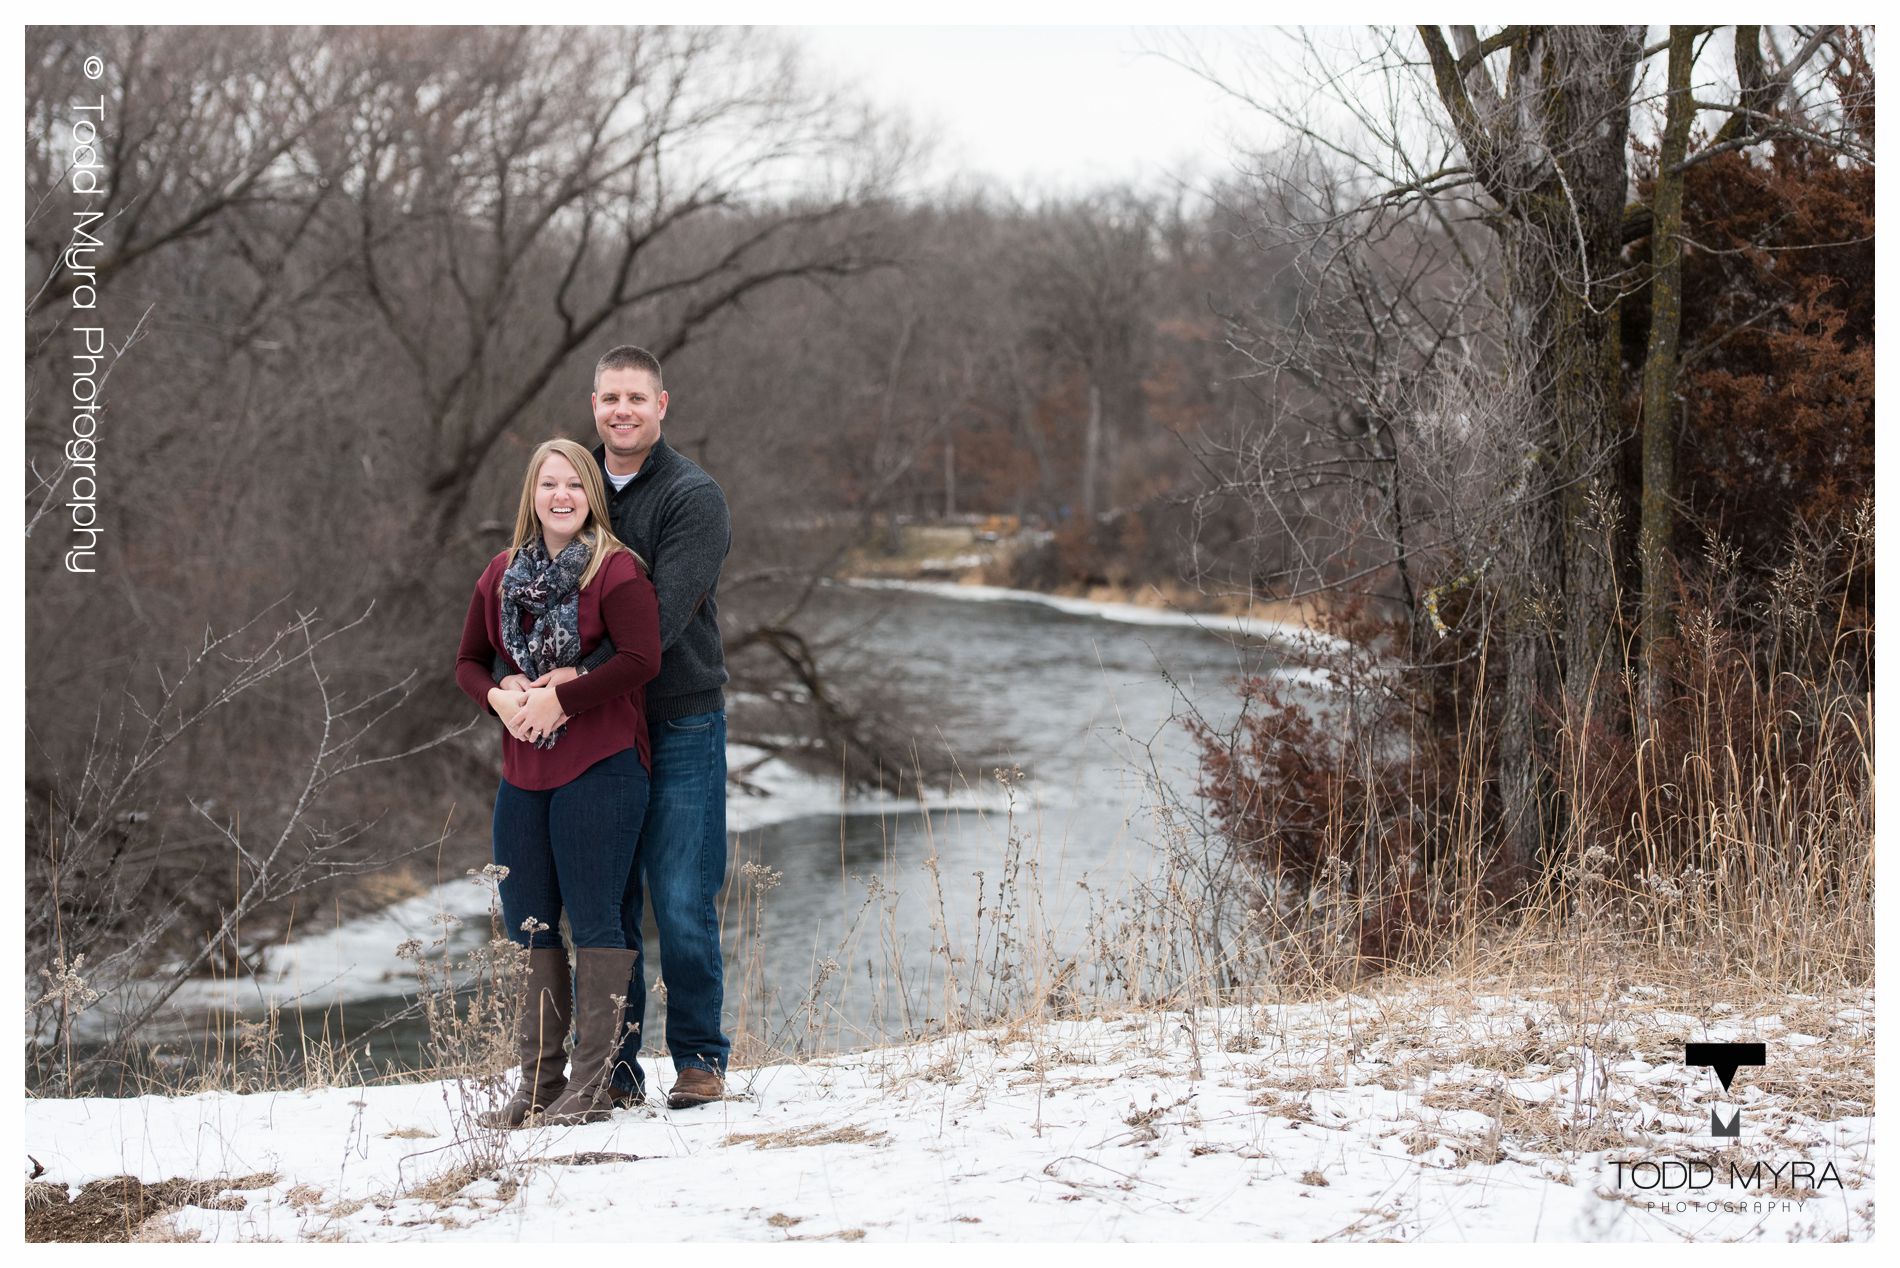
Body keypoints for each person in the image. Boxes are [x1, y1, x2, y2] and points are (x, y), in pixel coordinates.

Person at [497, 345, 732, 1111]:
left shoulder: (694, 498)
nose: (622, 411)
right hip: (595, 730)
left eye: (637, 397)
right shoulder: (576, 484)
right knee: (608, 898)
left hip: (679, 719)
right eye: (609, 398)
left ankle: (698, 1058)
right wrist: (517, 686)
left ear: (662, 405)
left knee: (681, 893)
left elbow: (658, 620)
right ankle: (615, 1073)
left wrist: (567, 680)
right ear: (593, 404)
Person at [456, 438, 660, 1126]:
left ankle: (594, 1084)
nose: (562, 495)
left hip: (602, 765)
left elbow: (640, 659)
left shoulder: (616, 571)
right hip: (525, 770)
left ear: (591, 496)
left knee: (596, 918)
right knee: (528, 923)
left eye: (575, 484)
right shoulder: (501, 573)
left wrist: (561, 699)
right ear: (532, 495)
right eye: (550, 484)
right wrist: (501, 695)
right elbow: (467, 662)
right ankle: (538, 1083)